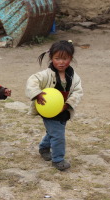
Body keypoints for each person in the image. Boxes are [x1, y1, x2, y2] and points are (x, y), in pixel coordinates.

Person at [25, 40, 83, 171]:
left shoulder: (73, 77)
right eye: (57, 58)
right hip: (48, 110)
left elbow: (78, 91)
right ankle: (58, 159)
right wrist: (37, 94)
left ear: (71, 58)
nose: (61, 62)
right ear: (51, 58)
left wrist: (68, 104)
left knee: (54, 132)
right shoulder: (46, 74)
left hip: (64, 110)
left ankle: (44, 147)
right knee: (58, 135)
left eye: (65, 59)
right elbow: (32, 81)